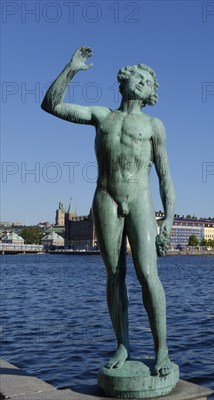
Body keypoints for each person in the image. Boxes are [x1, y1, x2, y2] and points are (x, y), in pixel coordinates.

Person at [42, 46, 176, 376]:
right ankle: (123, 344)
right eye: (140, 77)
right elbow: (51, 104)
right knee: (114, 276)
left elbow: (165, 177)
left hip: (141, 202)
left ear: (150, 94)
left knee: (148, 274)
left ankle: (162, 350)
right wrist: (71, 68)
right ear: (126, 80)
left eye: (149, 82)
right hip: (105, 199)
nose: (144, 83)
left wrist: (169, 218)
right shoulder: (103, 116)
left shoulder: (154, 125)